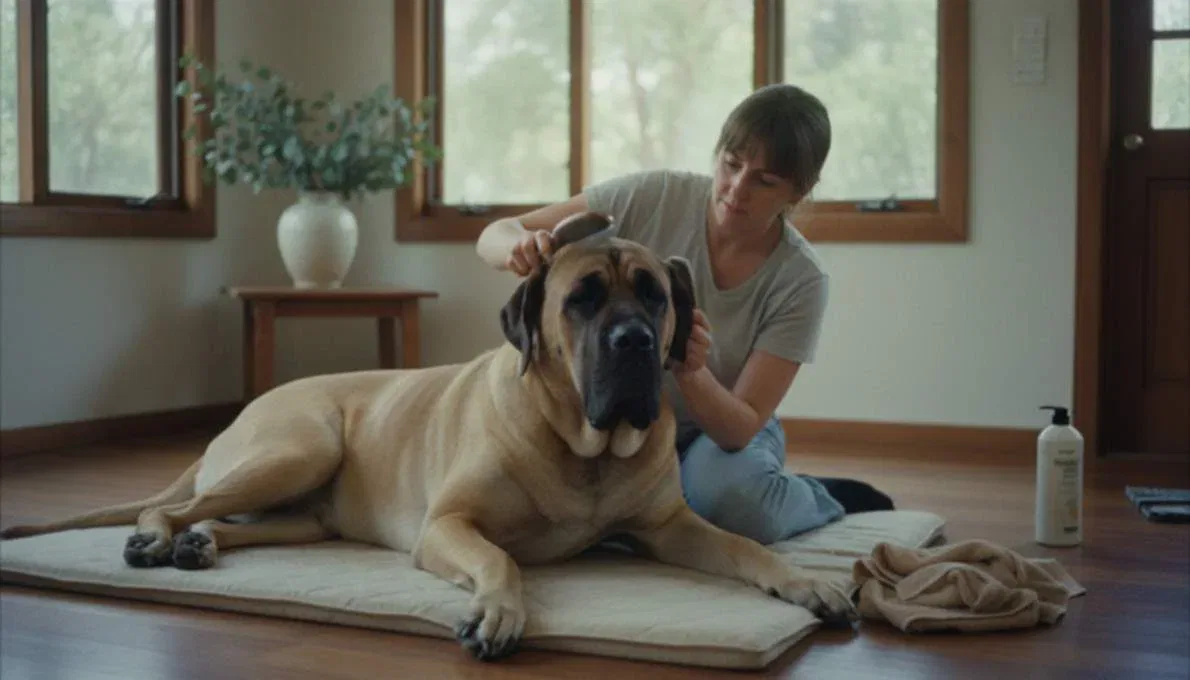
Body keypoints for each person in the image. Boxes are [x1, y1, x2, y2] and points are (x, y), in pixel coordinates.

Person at [476, 83, 892, 545]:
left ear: (800, 190)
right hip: (616, 415)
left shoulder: (801, 280)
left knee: (733, 506)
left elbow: (739, 427)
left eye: (765, 181)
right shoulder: (652, 195)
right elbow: (494, 233)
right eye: (731, 165)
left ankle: (813, 498)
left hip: (712, 435)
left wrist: (691, 371)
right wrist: (518, 248)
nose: (736, 189)